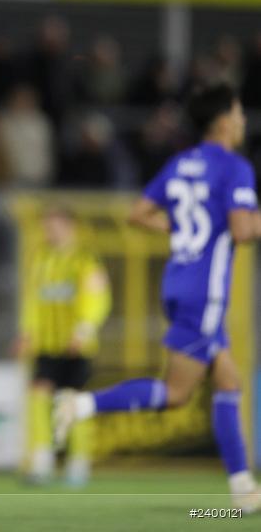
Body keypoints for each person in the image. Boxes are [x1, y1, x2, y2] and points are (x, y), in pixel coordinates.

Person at [54, 83, 261, 512]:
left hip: (178, 282)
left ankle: (243, 489)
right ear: (223, 120)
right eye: (239, 113)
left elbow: (138, 214)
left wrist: (182, 231)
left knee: (228, 379)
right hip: (205, 292)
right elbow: (242, 231)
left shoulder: (182, 162)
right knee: (175, 394)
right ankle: (81, 403)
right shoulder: (235, 168)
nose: (242, 120)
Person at [15, 206, 110, 485]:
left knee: (73, 400)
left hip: (76, 344)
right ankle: (42, 459)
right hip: (47, 343)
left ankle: (79, 462)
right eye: (47, 226)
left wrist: (83, 329)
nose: (50, 232)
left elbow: (98, 298)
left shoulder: (85, 260)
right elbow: (33, 300)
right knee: (39, 395)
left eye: (55, 226)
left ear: (70, 227)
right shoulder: (42, 258)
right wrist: (26, 332)